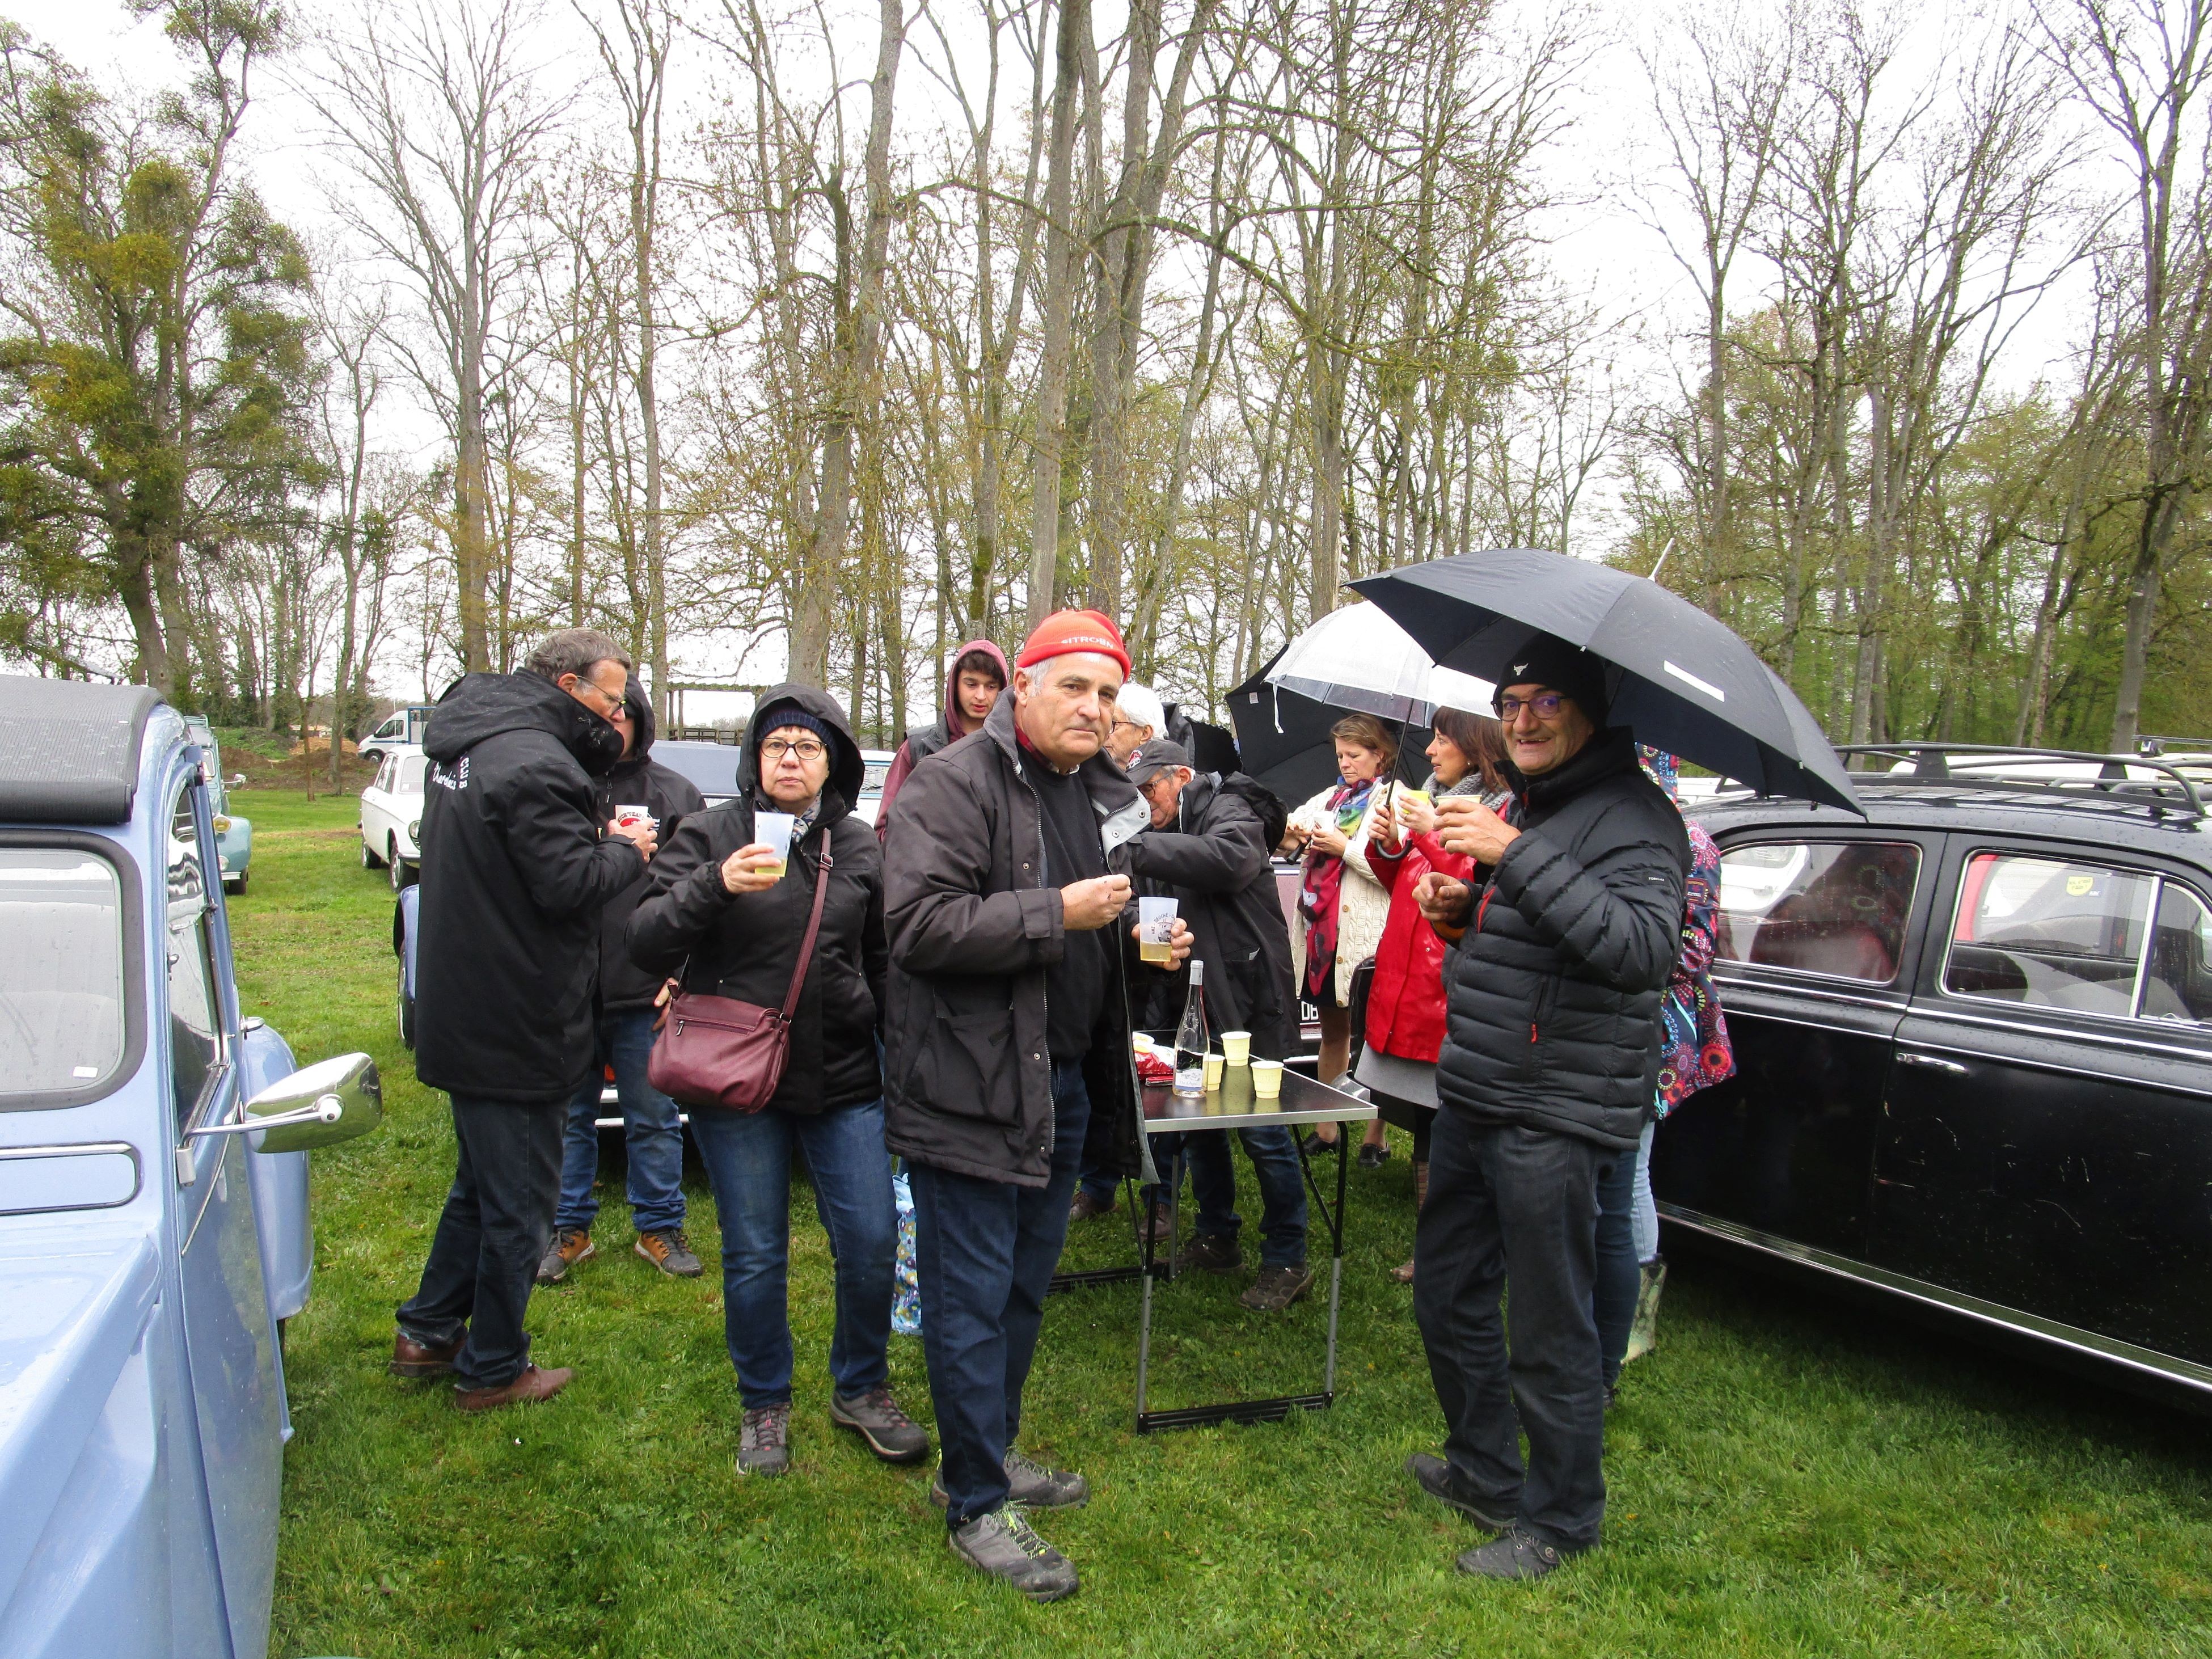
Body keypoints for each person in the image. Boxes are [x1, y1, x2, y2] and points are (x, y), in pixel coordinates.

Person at [882, 609, 1189, 1603]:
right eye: (1074, 688)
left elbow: (1090, 924)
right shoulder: (952, 782)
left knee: (1021, 1289)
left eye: (1108, 696)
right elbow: (919, 927)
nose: (1094, 711)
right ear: (1023, 686)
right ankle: (974, 1500)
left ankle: (990, 1452)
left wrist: (1130, 948)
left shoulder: (1096, 794)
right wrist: (1056, 914)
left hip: (1059, 1081)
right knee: (970, 1301)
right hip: (969, 1089)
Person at [1404, 635, 1688, 1580]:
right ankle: (1485, 1469)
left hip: (1556, 1113)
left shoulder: (1638, 817)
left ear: (1590, 713)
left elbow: (1641, 951)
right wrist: (1468, 908)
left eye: (1545, 704)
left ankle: (1561, 1519)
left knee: (1550, 1327)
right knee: (1446, 1293)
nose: (1522, 720)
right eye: (1511, 702)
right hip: (1481, 1092)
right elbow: (1542, 935)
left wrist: (1513, 858)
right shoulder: (1538, 806)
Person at [627, 685, 925, 1477]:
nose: (791, 759)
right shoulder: (710, 833)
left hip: (844, 1076)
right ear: (755, 759)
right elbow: (643, 938)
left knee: (869, 1239)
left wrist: (899, 1037)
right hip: (738, 1082)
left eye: (808, 747)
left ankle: (860, 1386)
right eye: (776, 746)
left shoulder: (859, 845)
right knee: (756, 1250)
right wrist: (715, 884)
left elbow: (884, 960)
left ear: (834, 764)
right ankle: (764, 1401)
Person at [391, 629, 658, 1409]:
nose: (616, 718)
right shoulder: (540, 763)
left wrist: (588, 840)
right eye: (611, 701)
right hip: (516, 1018)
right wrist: (628, 850)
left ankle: (429, 1329)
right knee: (521, 1207)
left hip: (466, 1004)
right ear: (570, 686)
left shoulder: (472, 746)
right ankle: (494, 1365)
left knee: (478, 1186)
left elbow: (517, 861)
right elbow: (568, 885)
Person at [1118, 738, 1311, 1311]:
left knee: (1263, 1130)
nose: (1143, 802)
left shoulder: (1232, 809)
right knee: (1197, 1122)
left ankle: (1287, 1256)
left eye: (1149, 789)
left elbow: (1227, 861)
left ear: (1181, 776)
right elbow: (1150, 914)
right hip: (1188, 998)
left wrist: (1142, 849)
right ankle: (1217, 1234)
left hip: (1249, 1000)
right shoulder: (1158, 831)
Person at [537, 679, 707, 1287]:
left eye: (623, 714)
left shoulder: (675, 793)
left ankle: (659, 1228)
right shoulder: (558, 789)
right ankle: (568, 1230)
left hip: (644, 990)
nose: (613, 725)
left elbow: (700, 897)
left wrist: (680, 974)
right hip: (569, 990)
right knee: (568, 1116)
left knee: (654, 1117)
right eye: (602, 714)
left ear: (640, 720)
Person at [1593, 748, 1733, 1398]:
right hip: (1612, 1023)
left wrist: (1610, 948)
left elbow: (1697, 945)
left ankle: (1634, 1320)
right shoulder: (1618, 829)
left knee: (1631, 1175)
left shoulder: (1692, 842)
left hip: (1662, 1028)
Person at [1357, 708, 1511, 1283]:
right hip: (1407, 973)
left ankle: (1441, 1253)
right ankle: (1437, 1248)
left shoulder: (1493, 812)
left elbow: (1468, 884)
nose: (1431, 750)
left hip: (1443, 985)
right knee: (1426, 1121)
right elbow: (1407, 883)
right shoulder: (1432, 798)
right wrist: (1390, 847)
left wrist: (1423, 830)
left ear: (1475, 746)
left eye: (1444, 739)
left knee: (1441, 1127)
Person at [1281, 715, 1396, 1159]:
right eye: (1340, 756)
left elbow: (1394, 874)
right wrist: (1291, 832)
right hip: (1325, 939)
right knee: (1334, 1032)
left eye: (1354, 755)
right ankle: (1327, 1128)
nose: (1345, 764)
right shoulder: (1332, 798)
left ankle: (1375, 1136)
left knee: (1375, 1041)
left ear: (1379, 755)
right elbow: (1288, 830)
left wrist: (1343, 848)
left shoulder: (1396, 801)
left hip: (1369, 939)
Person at [876, 639, 1008, 839]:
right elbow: (885, 830)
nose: (981, 696)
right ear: (955, 684)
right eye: (971, 684)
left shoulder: (1011, 752)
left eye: (991, 686)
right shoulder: (918, 748)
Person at [1108, 679, 1164, 766]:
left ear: (1145, 734)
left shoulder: (1164, 777)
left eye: (1113, 723)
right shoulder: (1083, 770)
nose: (1105, 732)